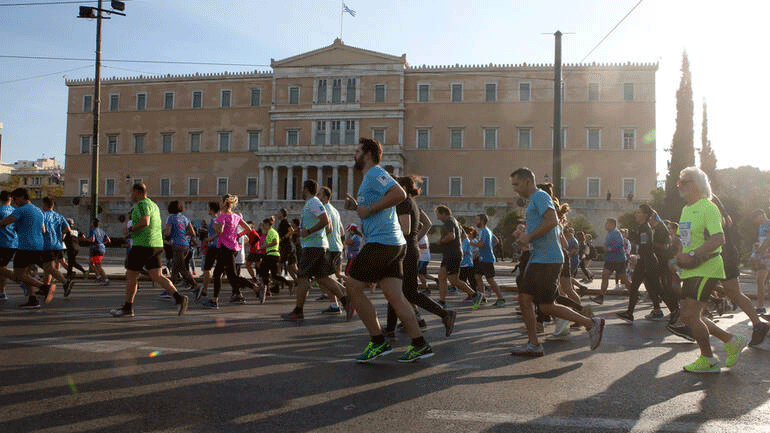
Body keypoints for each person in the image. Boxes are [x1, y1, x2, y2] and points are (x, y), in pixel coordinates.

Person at [344, 138, 433, 363]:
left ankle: (378, 341)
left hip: (383, 242)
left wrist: (371, 208)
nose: (354, 154)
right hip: (392, 243)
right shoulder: (369, 178)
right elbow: (374, 210)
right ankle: (419, 344)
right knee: (395, 296)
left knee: (352, 285)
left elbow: (399, 194)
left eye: (358, 151)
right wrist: (358, 208)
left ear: (367, 154)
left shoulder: (375, 172)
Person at [509, 168, 604, 357]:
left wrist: (529, 236)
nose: (515, 189)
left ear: (528, 181)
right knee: (544, 305)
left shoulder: (540, 196)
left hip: (547, 259)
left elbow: (552, 221)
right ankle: (590, 324)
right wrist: (527, 239)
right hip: (542, 258)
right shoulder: (534, 201)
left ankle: (536, 344)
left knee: (527, 299)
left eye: (516, 184)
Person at [673, 167, 746, 373]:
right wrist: (676, 256)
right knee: (689, 316)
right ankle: (730, 340)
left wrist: (693, 255)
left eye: (683, 182)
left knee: (690, 314)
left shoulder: (709, 207)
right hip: (690, 269)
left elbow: (718, 238)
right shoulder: (687, 208)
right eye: (679, 182)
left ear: (696, 184)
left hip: (707, 267)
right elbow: (681, 238)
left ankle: (709, 359)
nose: (679, 186)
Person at [383, 175, 456, 338]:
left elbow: (406, 229)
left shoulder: (402, 202)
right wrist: (414, 239)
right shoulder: (412, 202)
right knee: (396, 290)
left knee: (406, 292)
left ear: (401, 187)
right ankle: (390, 327)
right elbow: (424, 224)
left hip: (404, 251)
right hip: (410, 250)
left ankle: (445, 314)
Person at [110, 183, 188, 317]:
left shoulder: (141, 205)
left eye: (132, 193)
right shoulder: (154, 205)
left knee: (131, 276)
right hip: (156, 245)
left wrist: (129, 230)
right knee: (157, 275)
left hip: (142, 245)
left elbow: (145, 222)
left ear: (138, 192)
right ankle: (179, 298)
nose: (131, 195)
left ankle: (128, 308)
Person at [280, 180, 350, 322]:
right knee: (322, 278)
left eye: (302, 188)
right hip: (316, 245)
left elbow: (325, 221)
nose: (301, 190)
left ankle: (298, 311)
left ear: (306, 189)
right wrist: (302, 231)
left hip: (314, 246)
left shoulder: (313, 202)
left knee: (302, 277)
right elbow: (325, 225)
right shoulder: (312, 203)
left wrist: (309, 232)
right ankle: (346, 302)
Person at [712, 197, 769, 346]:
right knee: (752, 285)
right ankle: (759, 320)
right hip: (728, 255)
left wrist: (758, 254)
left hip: (724, 255)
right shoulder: (761, 227)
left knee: (755, 284)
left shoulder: (712, 208)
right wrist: (755, 254)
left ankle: (731, 338)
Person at [615, 204, 676, 324]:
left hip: (647, 262)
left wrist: (641, 261)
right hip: (645, 262)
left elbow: (646, 246)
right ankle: (629, 313)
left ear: (645, 215)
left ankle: (675, 311)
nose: (636, 214)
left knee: (658, 289)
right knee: (636, 288)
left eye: (638, 212)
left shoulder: (645, 228)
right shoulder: (643, 227)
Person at [0, 188, 57, 308]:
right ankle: (33, 299)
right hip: (38, 245)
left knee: (18, 275)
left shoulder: (21, 210)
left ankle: (44, 287)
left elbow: (5, 222)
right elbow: (43, 230)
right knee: (26, 273)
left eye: (15, 198)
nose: (14, 201)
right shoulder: (38, 210)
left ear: (21, 197)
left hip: (25, 246)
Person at [202, 195, 258, 308]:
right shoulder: (236, 216)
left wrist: (216, 226)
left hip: (224, 248)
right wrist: (238, 235)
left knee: (229, 276)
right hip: (233, 248)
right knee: (221, 274)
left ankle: (255, 288)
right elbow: (249, 229)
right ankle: (214, 300)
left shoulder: (222, 216)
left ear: (223, 203)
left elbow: (220, 231)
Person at [434, 205, 482, 309]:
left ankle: (475, 295)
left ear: (443, 213)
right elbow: (464, 236)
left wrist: (441, 241)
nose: (437, 217)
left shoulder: (449, 222)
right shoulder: (455, 221)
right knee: (443, 277)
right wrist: (457, 246)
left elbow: (452, 236)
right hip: (452, 254)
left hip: (452, 255)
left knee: (453, 280)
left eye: (438, 214)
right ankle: (442, 301)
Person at [318, 186, 346, 313]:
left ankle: (346, 293)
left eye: (319, 194)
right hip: (337, 245)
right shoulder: (335, 210)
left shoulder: (324, 209)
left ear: (324, 197)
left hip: (329, 247)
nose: (317, 196)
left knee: (324, 278)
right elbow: (341, 230)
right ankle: (334, 304)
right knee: (328, 277)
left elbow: (328, 228)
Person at [591, 218, 630, 305]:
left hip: (618, 260)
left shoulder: (616, 233)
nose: (605, 225)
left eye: (607, 223)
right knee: (605, 275)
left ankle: (634, 294)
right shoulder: (609, 233)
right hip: (609, 260)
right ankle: (600, 297)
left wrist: (609, 248)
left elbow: (620, 243)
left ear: (612, 224)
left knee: (623, 279)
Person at [40, 197, 73, 296]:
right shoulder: (59, 216)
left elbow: (42, 230)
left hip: (47, 244)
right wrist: (61, 234)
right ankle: (45, 288)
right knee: (48, 268)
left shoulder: (42, 215)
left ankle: (65, 282)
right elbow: (68, 229)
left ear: (45, 204)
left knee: (48, 267)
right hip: (58, 244)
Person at [471, 213, 505, 306]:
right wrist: (489, 248)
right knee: (477, 277)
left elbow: (481, 244)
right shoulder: (487, 230)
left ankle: (501, 299)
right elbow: (496, 240)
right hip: (482, 259)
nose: (475, 221)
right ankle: (482, 298)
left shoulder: (484, 231)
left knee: (490, 280)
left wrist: (471, 243)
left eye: (477, 220)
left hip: (487, 259)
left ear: (482, 221)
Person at [164, 200, 199, 291]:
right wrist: (183, 233)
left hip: (176, 245)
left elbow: (167, 232)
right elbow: (192, 232)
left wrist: (167, 236)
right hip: (186, 246)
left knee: (181, 268)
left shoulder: (170, 218)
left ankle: (195, 286)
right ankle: (170, 290)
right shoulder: (185, 218)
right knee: (175, 268)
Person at [258, 217, 293, 303]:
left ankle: (266, 289)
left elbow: (275, 242)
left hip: (272, 255)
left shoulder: (272, 232)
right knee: (274, 275)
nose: (263, 226)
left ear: (268, 225)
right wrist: (262, 247)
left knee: (263, 271)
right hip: (272, 255)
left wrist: (265, 246)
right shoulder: (270, 232)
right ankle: (288, 283)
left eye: (264, 224)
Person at [0, 190, 18, 302]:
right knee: (3, 268)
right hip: (13, 243)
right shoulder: (15, 211)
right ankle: (2, 292)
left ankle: (23, 282)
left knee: (2, 268)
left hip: (2, 243)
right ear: (11, 199)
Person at [752, 209, 770, 314]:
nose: (755, 221)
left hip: (767, 256)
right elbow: (761, 240)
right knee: (760, 280)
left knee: (767, 282)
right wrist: (756, 253)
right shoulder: (760, 227)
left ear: (761, 215)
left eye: (756, 218)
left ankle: (763, 306)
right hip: (763, 257)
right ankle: (760, 306)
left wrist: (761, 249)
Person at [276, 208, 298, 293]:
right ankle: (298, 281)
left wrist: (283, 238)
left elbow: (291, 231)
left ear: (282, 214)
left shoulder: (284, 222)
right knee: (291, 268)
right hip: (288, 247)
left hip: (287, 247)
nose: (277, 214)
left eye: (279, 213)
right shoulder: (282, 222)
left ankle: (278, 285)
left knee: (279, 265)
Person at [63, 217, 87, 282]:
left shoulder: (67, 229)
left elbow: (63, 237)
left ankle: (84, 271)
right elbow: (83, 236)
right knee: (71, 262)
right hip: (77, 247)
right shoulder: (76, 229)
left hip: (70, 247)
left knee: (72, 262)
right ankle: (69, 275)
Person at [89, 218, 111, 285]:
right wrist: (102, 243)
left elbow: (92, 240)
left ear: (93, 224)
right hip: (101, 248)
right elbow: (108, 240)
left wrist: (85, 240)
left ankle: (106, 279)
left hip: (96, 249)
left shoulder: (92, 231)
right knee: (92, 263)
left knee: (98, 265)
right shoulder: (102, 231)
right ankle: (98, 277)